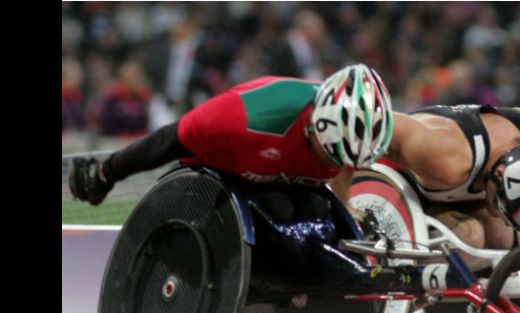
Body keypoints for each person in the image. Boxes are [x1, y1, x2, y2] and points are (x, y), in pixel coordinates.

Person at [68, 64, 394, 216]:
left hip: (285, 182)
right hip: (224, 176)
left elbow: (346, 164)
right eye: (328, 154)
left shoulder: (351, 140)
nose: (334, 165)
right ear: (315, 125)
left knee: (316, 211)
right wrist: (106, 173)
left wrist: (347, 205)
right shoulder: (242, 118)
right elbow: (168, 140)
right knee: (276, 209)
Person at [383, 104, 520, 250]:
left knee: (501, 235)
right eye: (502, 204)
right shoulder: (447, 155)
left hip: (450, 188)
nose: (503, 216)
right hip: (396, 184)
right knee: (469, 237)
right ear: (501, 172)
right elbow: (370, 123)